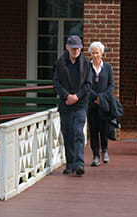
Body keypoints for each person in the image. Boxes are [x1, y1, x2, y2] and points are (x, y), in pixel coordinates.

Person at [54, 34, 90, 175]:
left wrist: (76, 96)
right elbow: (56, 83)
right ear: (67, 47)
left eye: (78, 48)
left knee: (78, 133)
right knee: (67, 134)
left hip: (80, 104)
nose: (76, 51)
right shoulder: (60, 63)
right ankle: (70, 164)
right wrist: (67, 96)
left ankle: (79, 164)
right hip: (65, 104)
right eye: (73, 48)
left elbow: (88, 84)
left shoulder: (86, 64)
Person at [86, 41, 115, 166]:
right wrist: (95, 97)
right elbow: (85, 85)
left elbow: (111, 85)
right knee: (93, 130)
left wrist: (102, 97)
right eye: (93, 53)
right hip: (91, 103)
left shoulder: (107, 67)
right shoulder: (87, 67)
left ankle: (104, 150)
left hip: (104, 104)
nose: (95, 55)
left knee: (104, 128)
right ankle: (95, 155)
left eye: (97, 53)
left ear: (102, 53)